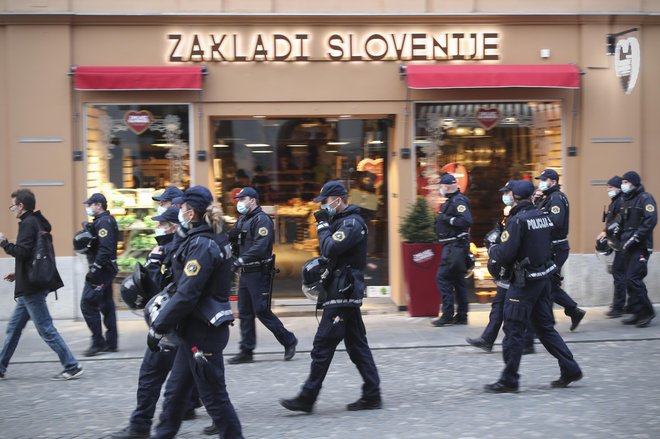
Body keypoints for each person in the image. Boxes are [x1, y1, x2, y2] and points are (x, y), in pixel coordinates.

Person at [148, 186, 242, 439]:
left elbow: (187, 293)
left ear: (191, 213)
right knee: (176, 392)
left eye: (181, 209)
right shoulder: (203, 236)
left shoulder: (202, 244)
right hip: (194, 331)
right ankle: (163, 434)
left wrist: (159, 326)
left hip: (203, 333)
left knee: (214, 398)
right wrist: (180, 232)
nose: (177, 212)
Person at [280, 180, 381, 413]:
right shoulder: (344, 221)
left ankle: (307, 397)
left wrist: (323, 225)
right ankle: (372, 393)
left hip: (343, 291)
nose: (322, 206)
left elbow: (329, 249)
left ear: (336, 200)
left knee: (323, 344)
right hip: (341, 289)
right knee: (357, 346)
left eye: (325, 202)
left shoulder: (352, 223)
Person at [484, 180, 582, 393]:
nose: (506, 196)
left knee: (513, 329)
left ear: (516, 196)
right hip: (543, 280)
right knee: (545, 329)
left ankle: (509, 379)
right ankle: (571, 368)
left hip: (524, 282)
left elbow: (506, 254)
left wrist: (492, 248)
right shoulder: (542, 216)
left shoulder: (517, 221)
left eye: (508, 193)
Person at [111, 206, 198, 439]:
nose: (158, 227)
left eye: (161, 224)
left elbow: (164, 289)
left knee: (156, 377)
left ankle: (143, 427)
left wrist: (155, 262)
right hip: (173, 325)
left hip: (171, 326)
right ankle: (143, 425)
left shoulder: (175, 249)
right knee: (199, 379)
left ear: (172, 226)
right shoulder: (175, 246)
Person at [0, 189, 83, 381]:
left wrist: (4, 243)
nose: (11, 209)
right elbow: (31, 255)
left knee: (46, 328)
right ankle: (1, 366)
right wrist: (17, 273)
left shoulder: (28, 224)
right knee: (13, 328)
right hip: (30, 283)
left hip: (32, 288)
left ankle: (72, 366)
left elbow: (23, 252)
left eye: (12, 205)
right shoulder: (36, 222)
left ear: (21, 206)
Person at [227, 187, 297, 364]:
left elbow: (261, 246)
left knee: (261, 310)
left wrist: (241, 260)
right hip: (245, 272)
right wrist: (232, 240)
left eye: (242, 199)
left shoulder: (262, 220)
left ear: (253, 200)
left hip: (258, 272)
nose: (239, 203)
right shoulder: (243, 219)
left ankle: (289, 340)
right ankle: (246, 351)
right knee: (244, 312)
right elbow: (236, 244)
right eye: (238, 200)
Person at [467, 204, 535, 355]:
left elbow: (511, 248)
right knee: (498, 306)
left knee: (524, 310)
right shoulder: (511, 219)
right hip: (508, 273)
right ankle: (487, 339)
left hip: (519, 272)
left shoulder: (524, 219)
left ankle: (527, 342)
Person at [534, 169, 586, 331]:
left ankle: (547, 323)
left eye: (544, 180)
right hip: (550, 247)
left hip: (556, 248)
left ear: (553, 182)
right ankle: (573, 310)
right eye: (540, 179)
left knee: (546, 284)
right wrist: (536, 203)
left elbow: (555, 221)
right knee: (549, 284)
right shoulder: (546, 198)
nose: (540, 182)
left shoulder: (556, 198)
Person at [80, 193, 120, 356]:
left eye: (90, 205)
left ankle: (98, 342)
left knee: (87, 304)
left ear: (98, 205)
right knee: (106, 305)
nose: (88, 208)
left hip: (101, 271)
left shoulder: (104, 222)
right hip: (106, 270)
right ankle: (111, 343)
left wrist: (95, 269)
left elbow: (105, 249)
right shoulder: (103, 221)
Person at [431, 173, 473, 327]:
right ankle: (462, 315)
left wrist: (447, 219)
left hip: (454, 247)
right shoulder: (452, 201)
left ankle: (448, 314)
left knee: (442, 278)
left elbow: (467, 220)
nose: (440, 189)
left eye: (441, 186)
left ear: (447, 186)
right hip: (454, 246)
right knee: (458, 280)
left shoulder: (458, 201)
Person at [619, 171, 657, 328]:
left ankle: (647, 312)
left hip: (640, 245)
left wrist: (635, 238)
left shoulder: (645, 198)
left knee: (634, 279)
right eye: (623, 182)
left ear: (634, 183)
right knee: (629, 280)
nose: (623, 184)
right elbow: (622, 221)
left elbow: (651, 220)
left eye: (626, 182)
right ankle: (637, 311)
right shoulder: (627, 199)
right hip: (627, 246)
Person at [596, 176, 628, 318]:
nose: (608, 190)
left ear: (618, 188)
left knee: (619, 273)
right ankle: (627, 304)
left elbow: (619, 222)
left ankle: (618, 307)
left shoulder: (621, 201)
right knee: (622, 274)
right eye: (607, 187)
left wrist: (606, 231)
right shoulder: (616, 201)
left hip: (622, 244)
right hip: (617, 243)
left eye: (610, 187)